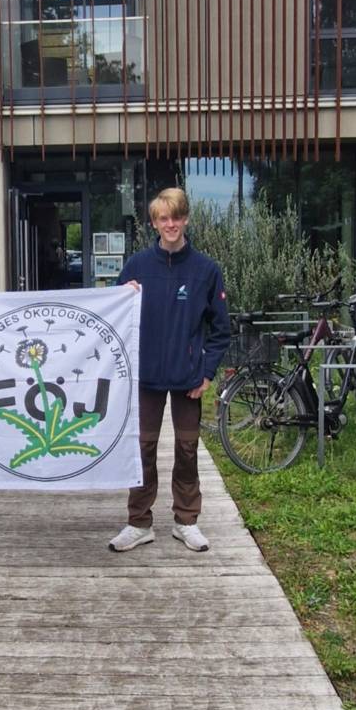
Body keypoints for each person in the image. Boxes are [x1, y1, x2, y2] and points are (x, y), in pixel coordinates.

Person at [109, 187, 230, 553]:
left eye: (176, 217)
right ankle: (139, 522)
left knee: (187, 448)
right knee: (142, 448)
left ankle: (186, 521)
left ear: (186, 219)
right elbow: (111, 318)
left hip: (187, 379)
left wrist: (206, 372)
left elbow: (221, 329)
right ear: (154, 223)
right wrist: (120, 294)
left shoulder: (206, 270)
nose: (171, 224)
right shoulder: (136, 267)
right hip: (145, 378)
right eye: (164, 218)